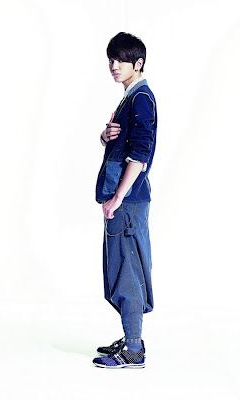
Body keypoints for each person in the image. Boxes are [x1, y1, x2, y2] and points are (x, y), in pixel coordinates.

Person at [93, 32, 157, 369]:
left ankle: (133, 348)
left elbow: (141, 154)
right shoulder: (130, 97)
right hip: (124, 201)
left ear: (138, 63)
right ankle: (131, 338)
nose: (114, 66)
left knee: (128, 271)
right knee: (120, 268)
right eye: (111, 60)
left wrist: (118, 197)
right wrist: (105, 136)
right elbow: (125, 144)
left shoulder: (141, 98)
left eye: (121, 60)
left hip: (127, 203)